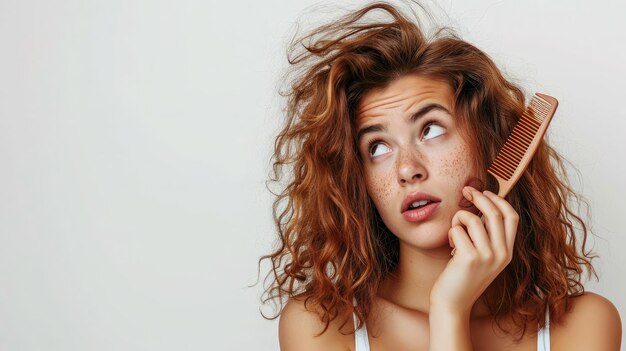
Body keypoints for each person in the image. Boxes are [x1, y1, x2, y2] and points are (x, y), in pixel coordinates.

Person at [259, 2, 622, 350]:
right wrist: (450, 310)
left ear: (491, 144)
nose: (406, 169)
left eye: (430, 129)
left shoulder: (581, 325)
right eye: (377, 147)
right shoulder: (321, 326)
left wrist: (450, 310)